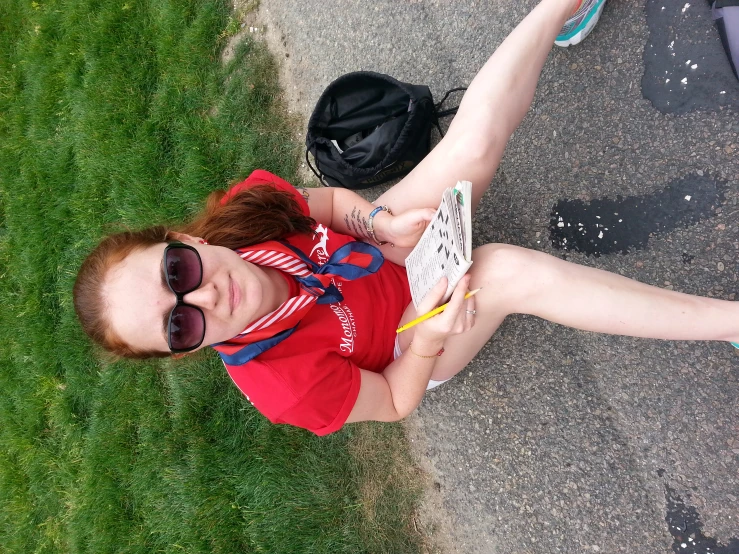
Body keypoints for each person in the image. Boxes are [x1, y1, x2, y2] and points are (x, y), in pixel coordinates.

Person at [73, 0, 738, 436]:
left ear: (183, 238)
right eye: (180, 323)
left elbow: (329, 205)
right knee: (506, 272)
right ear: (183, 352)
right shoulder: (282, 387)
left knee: (470, 145)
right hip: (408, 333)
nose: (204, 293)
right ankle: (729, 324)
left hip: (381, 249)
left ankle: (559, 7)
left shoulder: (237, 216)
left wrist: (376, 226)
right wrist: (428, 337)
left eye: (177, 270)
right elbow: (392, 400)